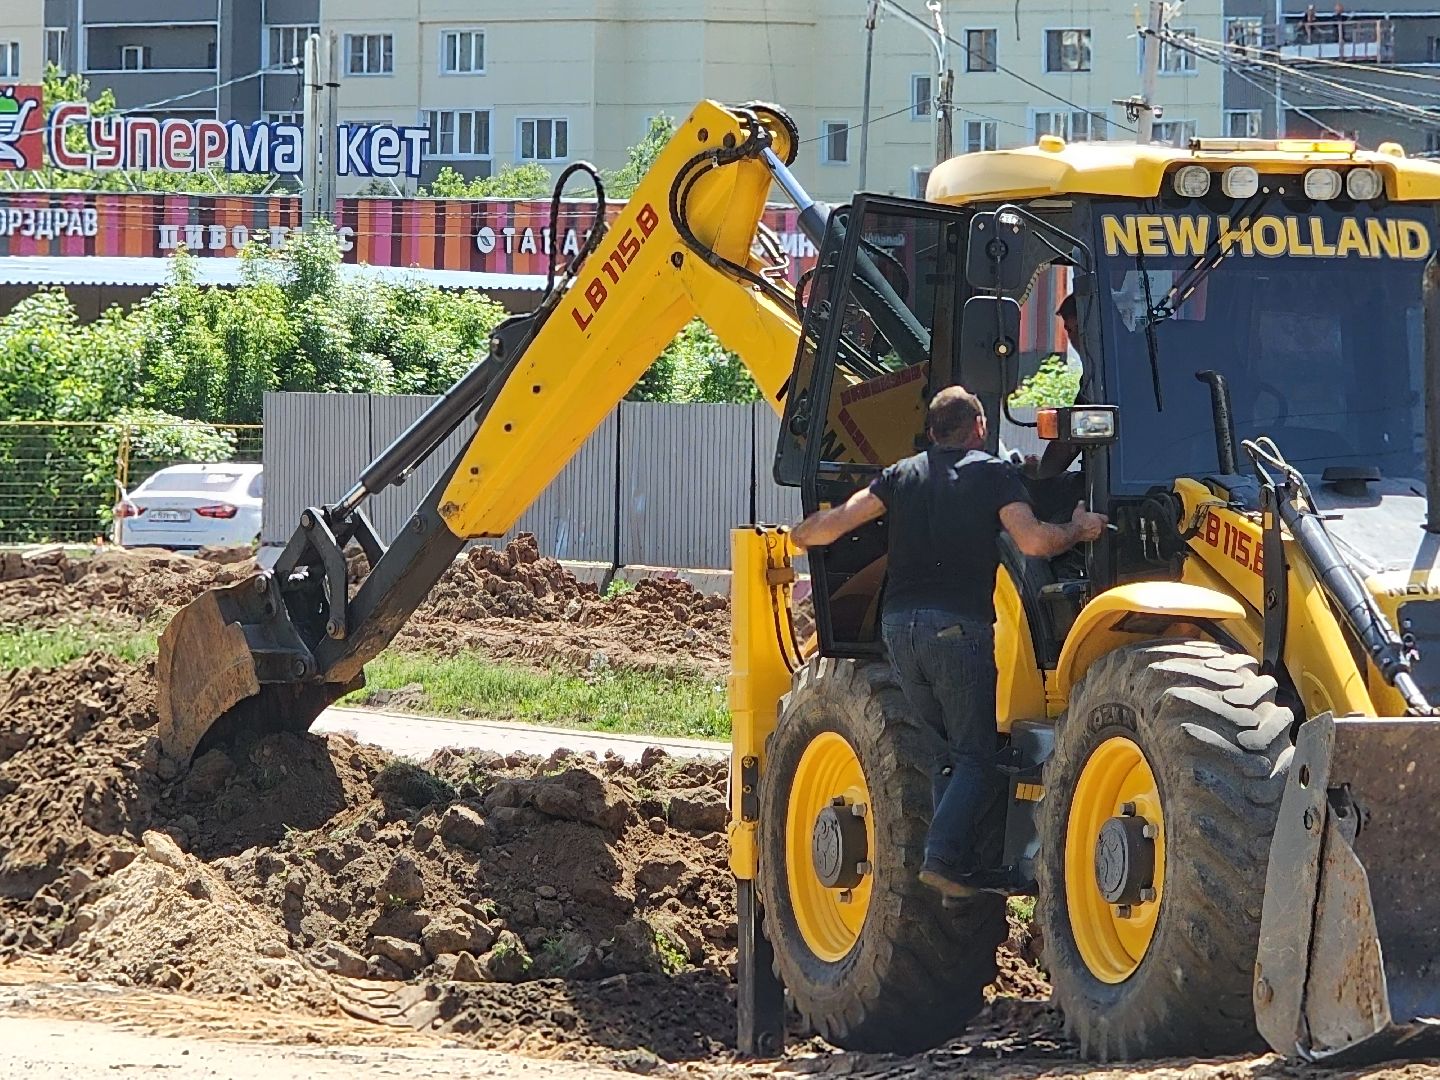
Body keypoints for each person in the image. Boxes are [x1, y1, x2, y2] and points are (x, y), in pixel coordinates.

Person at [789, 385, 1108, 898]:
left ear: (932, 431)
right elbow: (1033, 541)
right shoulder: (993, 474)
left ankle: (954, 869)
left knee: (944, 753)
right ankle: (942, 856)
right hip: (957, 630)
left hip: (899, 630)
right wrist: (1078, 528)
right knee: (977, 756)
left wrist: (799, 535)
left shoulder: (902, 474)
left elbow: (838, 522)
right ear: (979, 427)